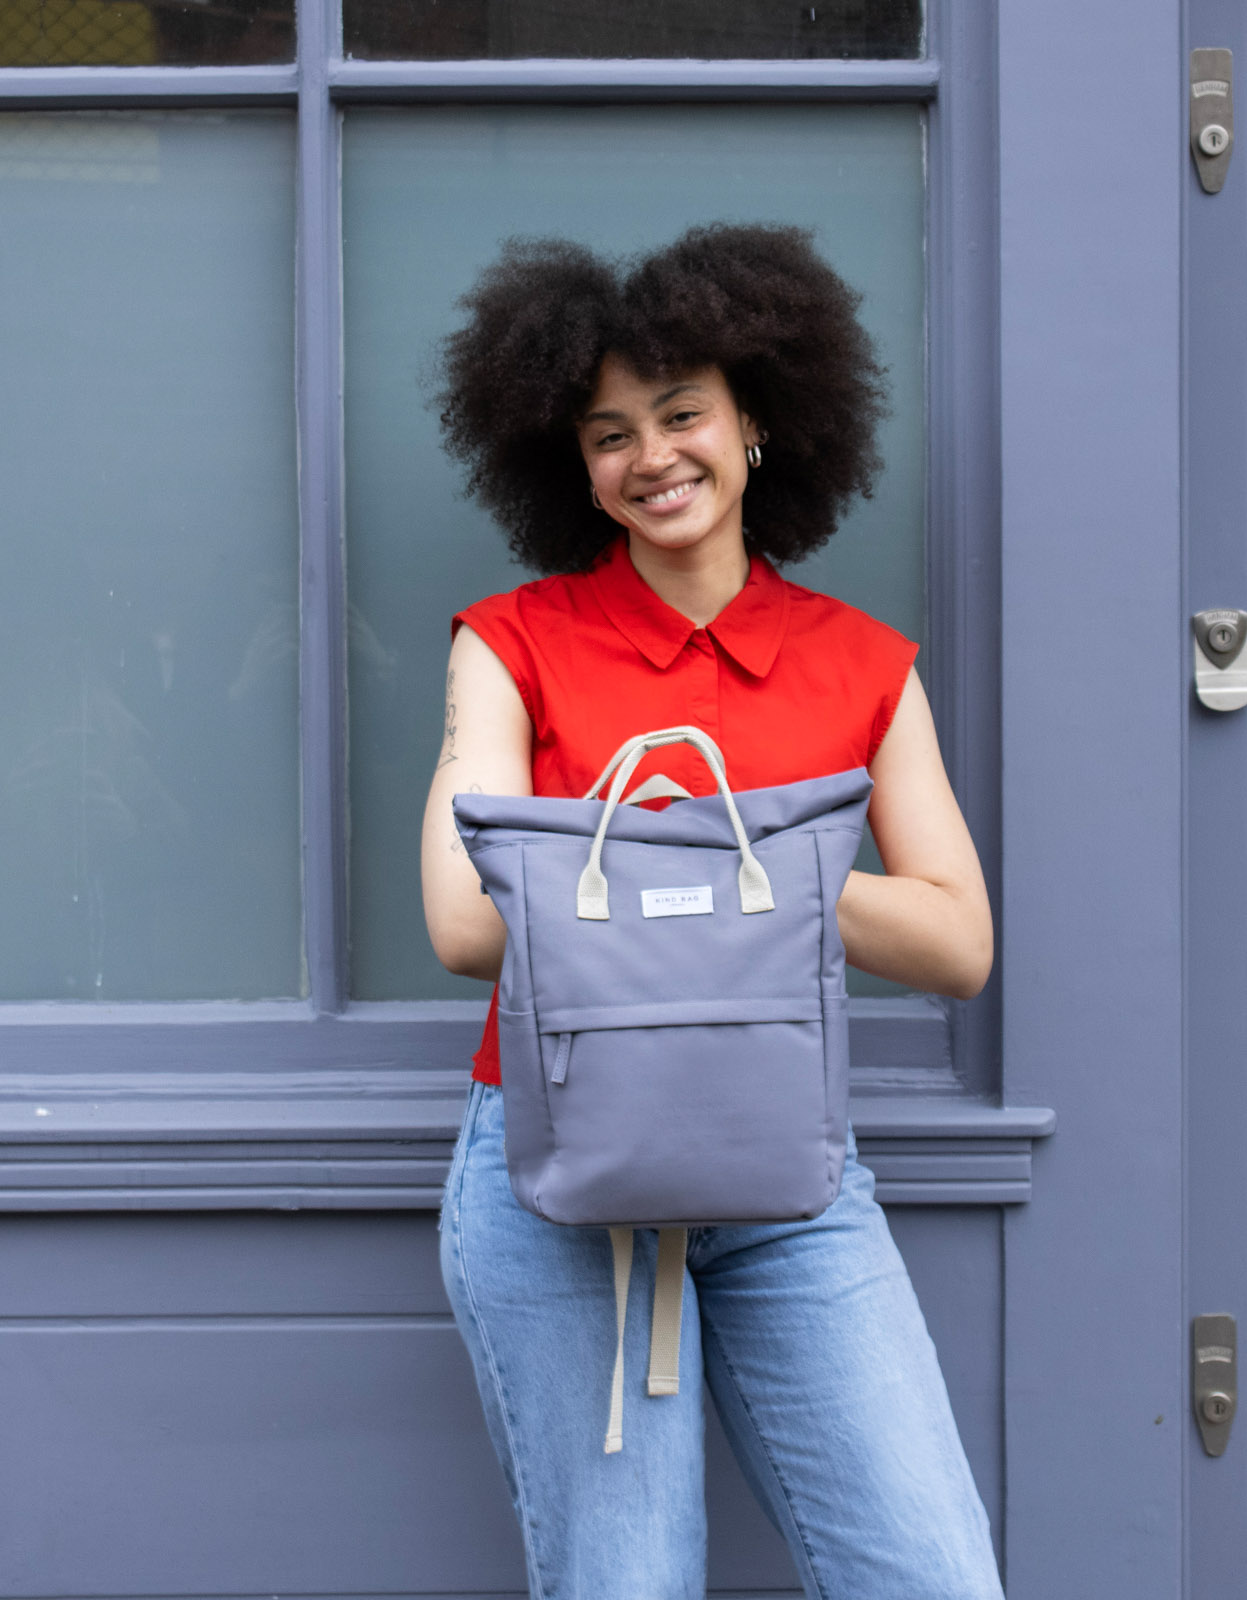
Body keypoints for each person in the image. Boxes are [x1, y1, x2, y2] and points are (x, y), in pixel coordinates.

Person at [420, 223, 1003, 1599]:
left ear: (757, 428)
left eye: (683, 414)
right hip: (553, 1179)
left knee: (931, 1578)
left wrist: (716, 867)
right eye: (609, 431)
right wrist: (736, 866)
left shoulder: (863, 664)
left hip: (791, 1176)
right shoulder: (507, 643)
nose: (652, 457)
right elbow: (459, 919)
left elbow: (958, 942)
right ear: (572, 463)